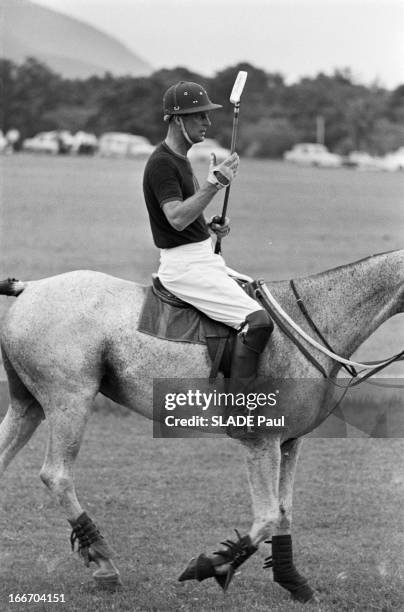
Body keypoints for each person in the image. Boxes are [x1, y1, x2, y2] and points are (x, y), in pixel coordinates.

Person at [143, 81, 273, 437]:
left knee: (264, 301)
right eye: (198, 115)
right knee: (258, 321)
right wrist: (214, 184)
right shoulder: (161, 164)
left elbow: (188, 218)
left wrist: (210, 225)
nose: (207, 122)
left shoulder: (180, 160)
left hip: (199, 255)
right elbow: (175, 218)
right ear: (176, 119)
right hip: (183, 267)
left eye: (207, 115)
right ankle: (238, 415)